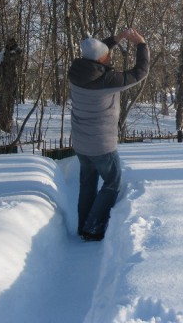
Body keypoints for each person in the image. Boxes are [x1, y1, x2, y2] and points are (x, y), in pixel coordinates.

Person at [68, 28, 149, 241]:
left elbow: (96, 52)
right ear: (101, 59)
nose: (109, 56)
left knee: (87, 184)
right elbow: (140, 72)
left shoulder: (76, 71)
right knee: (112, 183)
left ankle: (83, 225)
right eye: (107, 55)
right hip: (102, 145)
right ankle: (93, 228)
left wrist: (118, 38)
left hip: (81, 143)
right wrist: (141, 44)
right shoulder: (106, 80)